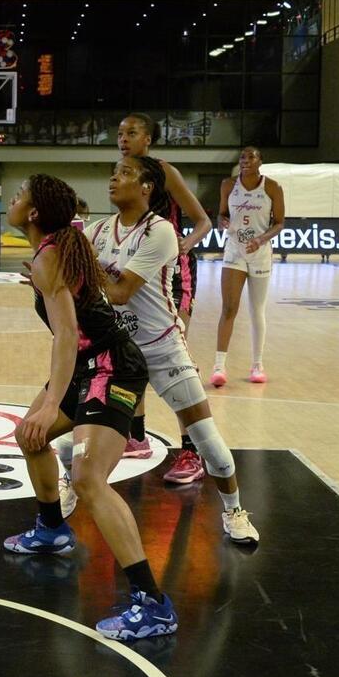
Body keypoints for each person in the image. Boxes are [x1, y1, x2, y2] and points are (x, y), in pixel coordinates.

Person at [4, 173, 177, 642]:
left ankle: (152, 603)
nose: (12, 199)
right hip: (88, 366)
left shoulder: (53, 254)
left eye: (19, 195)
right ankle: (51, 530)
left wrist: (51, 403)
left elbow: (64, 336)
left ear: (35, 213)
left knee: (87, 480)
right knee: (29, 436)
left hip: (111, 369)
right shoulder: (59, 247)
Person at [83, 156, 259, 544]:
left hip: (163, 349)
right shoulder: (97, 231)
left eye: (125, 173)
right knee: (78, 438)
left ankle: (234, 511)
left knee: (208, 441)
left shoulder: (159, 231)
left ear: (147, 187)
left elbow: (118, 292)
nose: (115, 177)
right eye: (113, 171)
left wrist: (84, 271)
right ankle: (59, 503)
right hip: (118, 353)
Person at [115, 113, 212, 471]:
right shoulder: (123, 173)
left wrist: (183, 245)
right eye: (121, 133)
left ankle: (192, 450)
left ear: (148, 139)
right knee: (131, 352)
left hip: (173, 275)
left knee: (176, 358)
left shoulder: (164, 171)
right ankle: (136, 437)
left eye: (133, 132)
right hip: (140, 272)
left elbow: (202, 220)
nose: (124, 138)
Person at [213, 146, 285, 387]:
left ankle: (257, 365)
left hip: (260, 253)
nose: (245, 160)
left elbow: (280, 223)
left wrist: (261, 239)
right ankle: (219, 367)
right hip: (235, 250)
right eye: (242, 157)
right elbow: (221, 214)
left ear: (260, 162)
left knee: (257, 310)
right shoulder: (227, 185)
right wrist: (222, 221)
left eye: (250, 157)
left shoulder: (272, 187)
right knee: (229, 308)